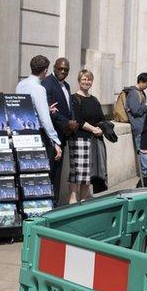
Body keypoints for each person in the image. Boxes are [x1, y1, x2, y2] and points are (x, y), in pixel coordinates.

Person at [16, 55, 64, 203]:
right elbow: (45, 118)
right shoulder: (39, 88)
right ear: (45, 71)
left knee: (27, 173)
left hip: (22, 132)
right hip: (39, 135)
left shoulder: (21, 85)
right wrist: (56, 141)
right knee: (42, 174)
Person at [43, 57, 78, 200]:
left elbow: (69, 107)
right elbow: (50, 110)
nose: (63, 71)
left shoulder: (67, 86)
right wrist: (67, 123)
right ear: (54, 68)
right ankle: (51, 203)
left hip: (64, 134)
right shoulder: (47, 84)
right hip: (52, 136)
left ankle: (55, 202)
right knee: (51, 172)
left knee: (58, 172)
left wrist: (73, 122)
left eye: (66, 70)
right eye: (60, 68)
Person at [68, 69, 105, 203]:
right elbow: (78, 119)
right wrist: (94, 129)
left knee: (88, 174)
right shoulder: (74, 98)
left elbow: (101, 118)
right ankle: (72, 201)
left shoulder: (94, 99)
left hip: (94, 140)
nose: (86, 82)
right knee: (77, 173)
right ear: (79, 81)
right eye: (84, 79)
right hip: (79, 139)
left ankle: (84, 201)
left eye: (89, 79)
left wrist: (100, 128)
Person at [125, 72, 147, 183]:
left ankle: (146, 174)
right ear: (140, 82)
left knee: (145, 151)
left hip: (142, 126)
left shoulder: (141, 93)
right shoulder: (133, 93)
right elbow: (136, 110)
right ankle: (145, 176)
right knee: (143, 152)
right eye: (146, 84)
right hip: (138, 127)